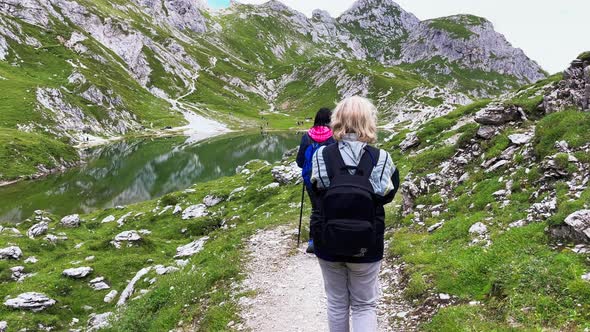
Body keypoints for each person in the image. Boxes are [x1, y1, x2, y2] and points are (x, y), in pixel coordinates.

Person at [311, 96, 400, 332]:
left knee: (337, 302)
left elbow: (317, 190)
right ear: (369, 122)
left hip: (327, 239)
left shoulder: (322, 155)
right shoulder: (382, 158)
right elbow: (386, 195)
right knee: (364, 305)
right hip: (367, 242)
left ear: (337, 120)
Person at [296, 107, 336, 253]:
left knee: (316, 208)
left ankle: (313, 241)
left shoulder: (307, 136)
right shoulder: (333, 136)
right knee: (331, 207)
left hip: (310, 179)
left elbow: (300, 161)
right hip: (330, 178)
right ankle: (330, 240)